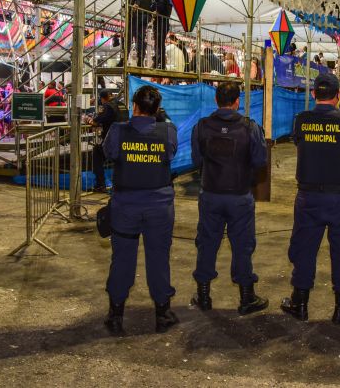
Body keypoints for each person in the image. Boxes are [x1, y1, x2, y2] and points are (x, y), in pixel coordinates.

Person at [280, 73, 340, 324]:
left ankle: (300, 303)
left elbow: (298, 141)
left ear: (313, 94)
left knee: (304, 248)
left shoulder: (301, 120)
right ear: (339, 96)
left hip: (308, 197)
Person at [102, 86, 179, 335]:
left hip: (126, 205)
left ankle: (115, 314)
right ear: (157, 109)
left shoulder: (118, 130)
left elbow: (109, 153)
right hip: (159, 206)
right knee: (158, 258)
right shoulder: (166, 130)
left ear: (134, 106)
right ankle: (162, 312)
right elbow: (171, 152)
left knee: (122, 259)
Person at [190, 82, 269, 315]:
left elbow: (196, 160)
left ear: (216, 100)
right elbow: (260, 161)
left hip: (210, 194)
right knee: (242, 246)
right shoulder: (250, 127)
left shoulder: (202, 126)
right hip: (239, 196)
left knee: (206, 244)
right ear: (237, 101)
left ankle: (203, 296)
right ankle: (247, 298)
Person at [127, 0, 155, 67]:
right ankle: (140, 62)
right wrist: (152, 10)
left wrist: (137, 4)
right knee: (140, 39)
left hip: (135, 16)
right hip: (145, 17)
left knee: (128, 38)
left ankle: (123, 60)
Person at [90, 90, 118, 193]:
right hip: (122, 141)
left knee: (97, 153)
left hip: (110, 141)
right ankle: (119, 186)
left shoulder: (107, 106)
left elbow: (95, 121)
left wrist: (89, 121)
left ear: (103, 98)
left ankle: (100, 185)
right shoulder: (121, 105)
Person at [152, 0, 172, 70]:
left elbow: (161, 9)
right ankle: (159, 63)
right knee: (160, 44)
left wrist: (156, 12)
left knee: (159, 45)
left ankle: (159, 64)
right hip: (164, 24)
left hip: (160, 23)